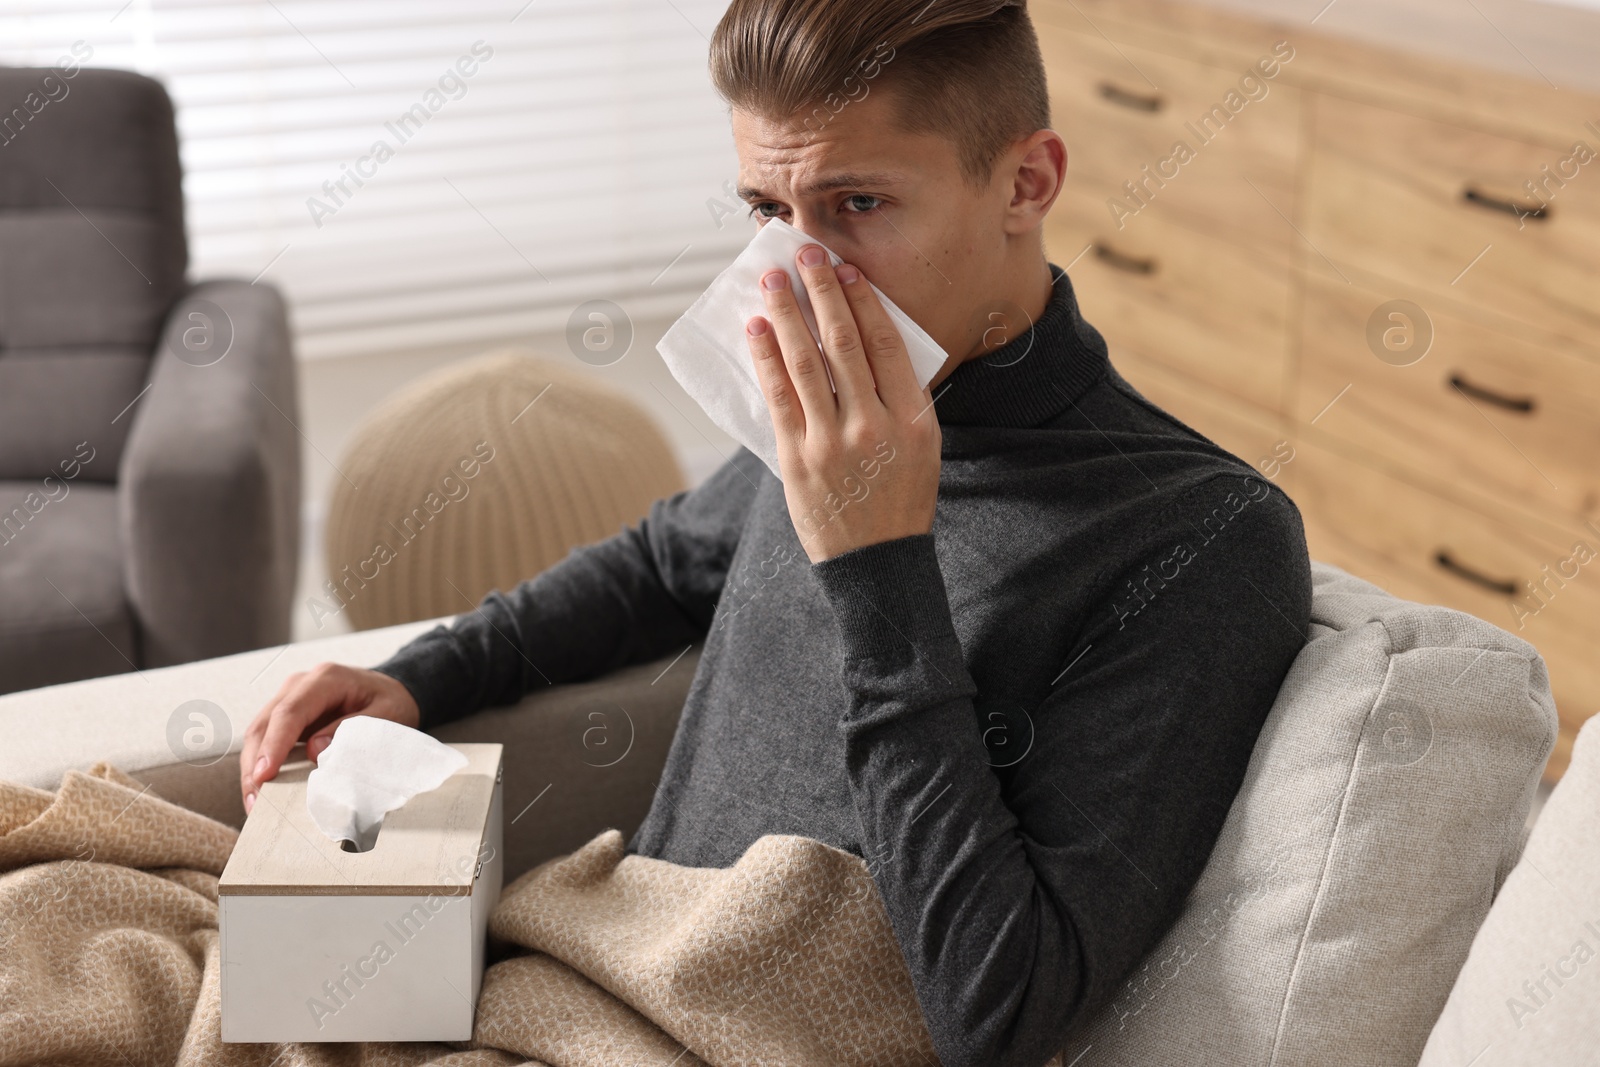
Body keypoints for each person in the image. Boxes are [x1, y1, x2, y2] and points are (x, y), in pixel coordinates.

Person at [240, 2, 1312, 1063]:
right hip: (578, 983)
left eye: (856, 202)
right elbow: (665, 561)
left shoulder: (1199, 538)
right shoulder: (825, 402)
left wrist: (875, 560)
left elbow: (1001, 1009)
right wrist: (425, 674)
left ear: (1025, 184)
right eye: (766, 210)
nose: (800, 274)